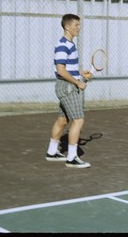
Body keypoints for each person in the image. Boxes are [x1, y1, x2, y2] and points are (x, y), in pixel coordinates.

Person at [45, 14, 93, 168]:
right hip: (67, 87)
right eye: (76, 25)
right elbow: (61, 70)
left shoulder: (70, 45)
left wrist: (80, 73)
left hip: (66, 85)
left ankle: (52, 152)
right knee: (78, 120)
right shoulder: (63, 45)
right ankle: (72, 158)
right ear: (67, 27)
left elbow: (68, 68)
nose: (79, 28)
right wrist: (78, 83)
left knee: (63, 120)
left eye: (79, 25)